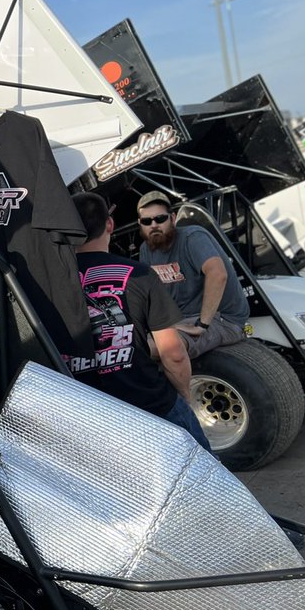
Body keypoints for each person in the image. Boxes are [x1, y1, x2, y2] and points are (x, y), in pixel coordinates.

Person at [69, 193, 211, 450]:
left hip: (87, 414)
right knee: (204, 468)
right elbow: (173, 353)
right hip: (149, 402)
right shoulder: (140, 274)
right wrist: (184, 396)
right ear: (110, 224)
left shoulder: (47, 284)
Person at [136, 190, 249, 359]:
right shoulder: (146, 250)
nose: (154, 225)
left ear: (172, 218)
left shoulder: (192, 237)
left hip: (222, 320)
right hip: (181, 321)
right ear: (140, 224)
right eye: (147, 221)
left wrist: (202, 325)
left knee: (155, 349)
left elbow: (218, 274)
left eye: (160, 219)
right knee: (131, 347)